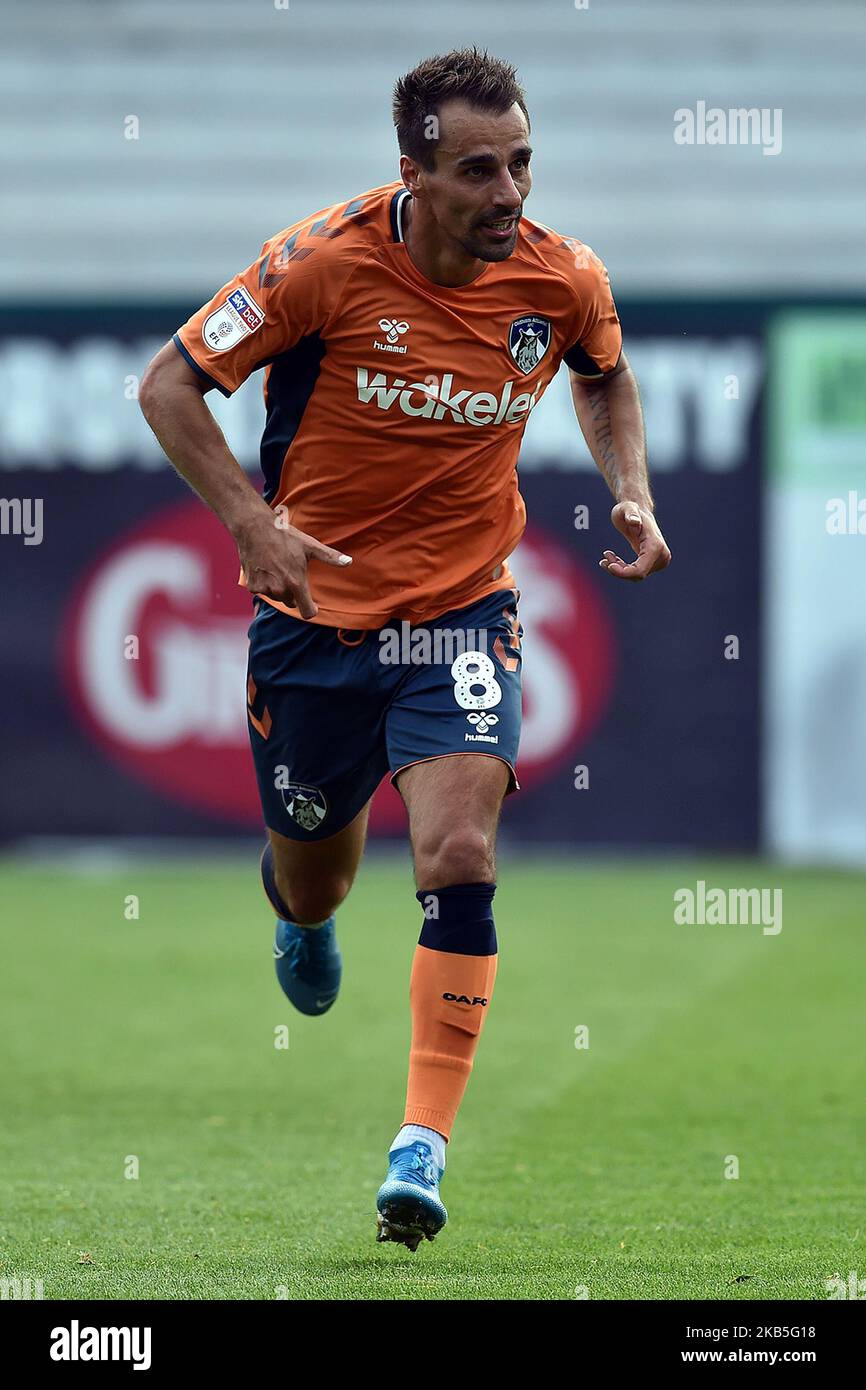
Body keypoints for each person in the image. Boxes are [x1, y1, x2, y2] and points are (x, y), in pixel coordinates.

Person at [139, 46, 671, 1253]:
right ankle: (301, 910)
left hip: (461, 614)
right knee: (316, 871)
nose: (509, 193)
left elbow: (604, 377)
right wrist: (250, 525)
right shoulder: (321, 265)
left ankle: (419, 1144)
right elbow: (170, 385)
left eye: (522, 162)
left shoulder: (558, 276)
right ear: (412, 175)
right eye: (477, 170)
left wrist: (626, 488)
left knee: (459, 847)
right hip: (313, 628)